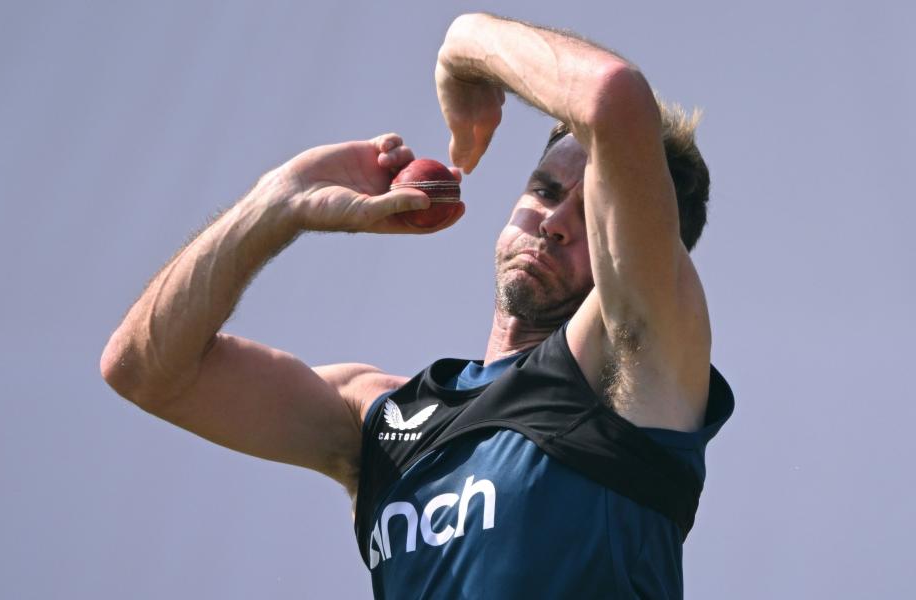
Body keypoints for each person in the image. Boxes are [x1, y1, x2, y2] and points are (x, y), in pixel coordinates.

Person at [100, 12, 733, 599]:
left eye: (590, 214)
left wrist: (463, 46)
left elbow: (612, 98)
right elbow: (145, 370)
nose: (553, 224)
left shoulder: (635, 369)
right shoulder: (378, 416)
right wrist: (275, 206)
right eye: (543, 192)